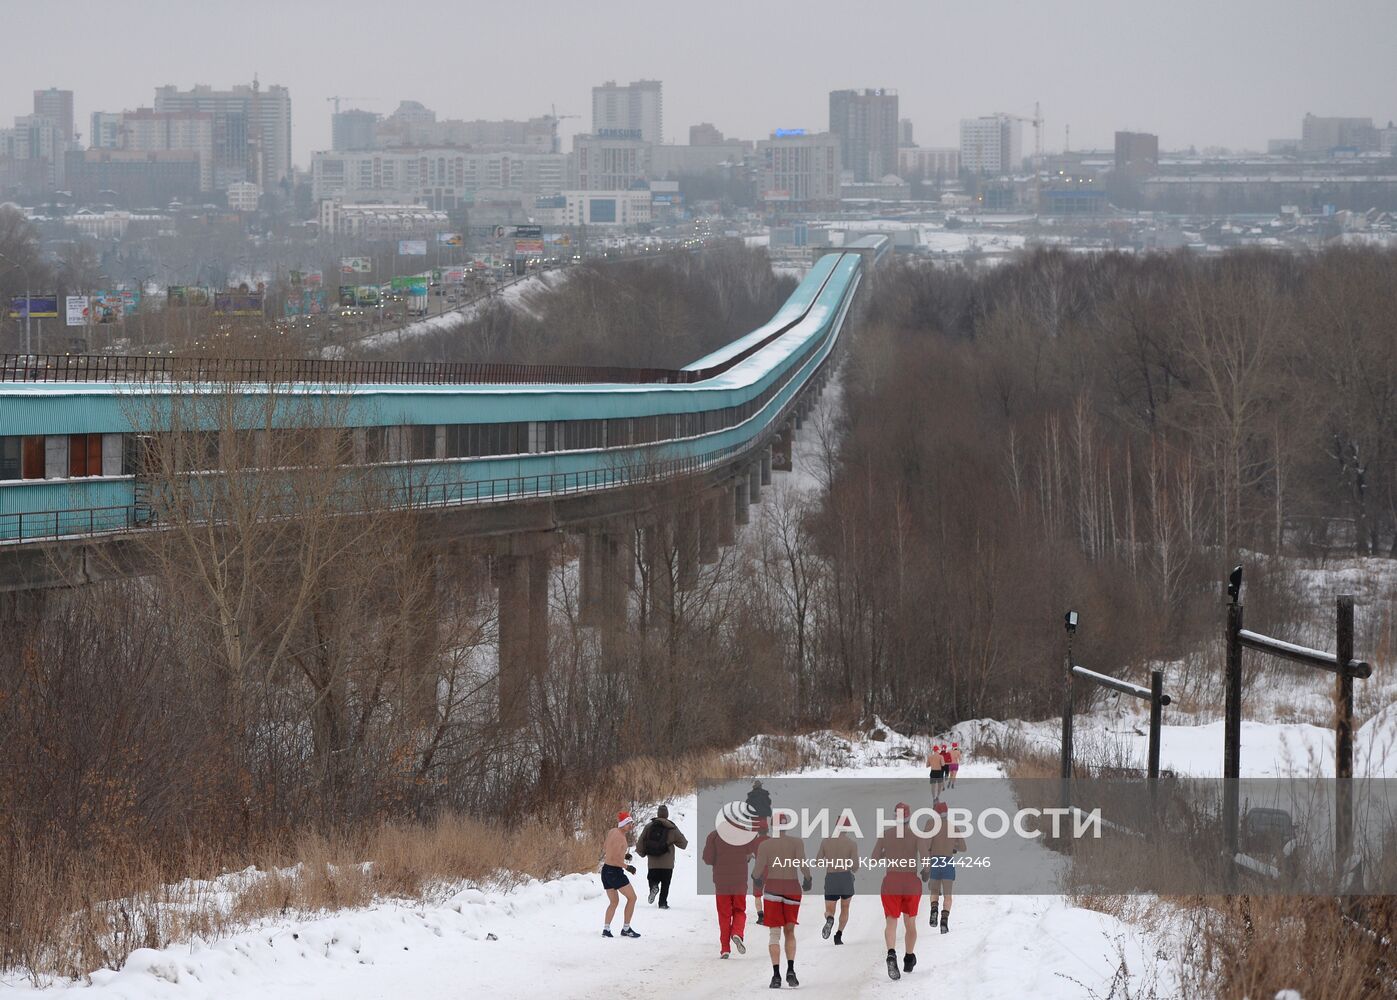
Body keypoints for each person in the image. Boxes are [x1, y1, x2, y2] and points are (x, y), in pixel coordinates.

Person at [871, 801, 930, 981]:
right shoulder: (917, 835)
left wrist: (886, 852)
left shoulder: (886, 834)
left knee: (891, 921)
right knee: (910, 923)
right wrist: (926, 872)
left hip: (892, 881)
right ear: (909, 817)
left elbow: (873, 859)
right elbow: (926, 859)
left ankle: (891, 953)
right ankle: (909, 957)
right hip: (911, 881)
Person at [752, 819, 810, 988]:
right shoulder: (796, 843)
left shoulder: (766, 845)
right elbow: (802, 864)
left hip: (772, 889)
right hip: (792, 887)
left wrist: (756, 879)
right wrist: (808, 878)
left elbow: (758, 869)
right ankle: (791, 969)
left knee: (774, 934)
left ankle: (776, 975)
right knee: (790, 931)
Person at [702, 821, 755, 958]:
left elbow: (708, 859)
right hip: (739, 881)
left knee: (724, 915)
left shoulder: (713, 836)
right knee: (740, 910)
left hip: (721, 882)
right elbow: (750, 854)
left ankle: (725, 948)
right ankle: (737, 933)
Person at [925, 799, 967, 934]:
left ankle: (934, 910)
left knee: (934, 891)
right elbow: (963, 847)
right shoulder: (953, 827)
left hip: (935, 861)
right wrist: (952, 846)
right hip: (948, 862)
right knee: (948, 895)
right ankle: (944, 921)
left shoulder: (931, 825)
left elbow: (926, 845)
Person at [815, 820, 859, 945]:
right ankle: (838, 936)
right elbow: (855, 866)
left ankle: (829, 918)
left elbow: (818, 861)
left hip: (831, 877)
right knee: (845, 908)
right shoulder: (851, 844)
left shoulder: (826, 841)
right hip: (845, 877)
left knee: (829, 909)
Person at [639, 804, 689, 909]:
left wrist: (642, 853)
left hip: (653, 862)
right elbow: (683, 844)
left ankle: (653, 887)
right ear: (667, 815)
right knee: (666, 884)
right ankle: (662, 903)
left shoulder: (649, 826)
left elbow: (640, 842)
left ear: (658, 814)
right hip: (667, 863)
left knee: (652, 879)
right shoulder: (672, 827)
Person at [601, 811, 641, 939]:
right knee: (632, 898)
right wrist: (628, 867)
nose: (631, 826)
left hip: (605, 870)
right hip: (614, 872)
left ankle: (606, 930)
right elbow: (614, 859)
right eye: (629, 823)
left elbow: (606, 848)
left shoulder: (613, 831)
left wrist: (624, 855)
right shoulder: (620, 837)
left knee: (614, 901)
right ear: (623, 824)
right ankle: (626, 928)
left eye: (632, 823)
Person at [750, 817, 770, 925]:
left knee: (758, 895)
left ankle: (761, 916)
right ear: (767, 830)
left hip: (758, 870)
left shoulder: (755, 842)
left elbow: (749, 856)